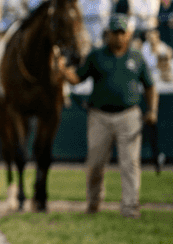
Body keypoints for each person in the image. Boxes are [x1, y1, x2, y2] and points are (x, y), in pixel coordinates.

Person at [64, 13, 158, 218]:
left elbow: (150, 87)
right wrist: (64, 70)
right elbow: (77, 78)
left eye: (122, 33)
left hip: (129, 115)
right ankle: (94, 202)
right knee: (95, 163)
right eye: (114, 33)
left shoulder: (137, 57)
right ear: (107, 34)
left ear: (129, 34)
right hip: (99, 116)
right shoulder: (96, 56)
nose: (118, 37)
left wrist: (152, 110)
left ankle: (130, 206)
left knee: (130, 162)